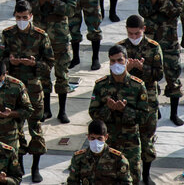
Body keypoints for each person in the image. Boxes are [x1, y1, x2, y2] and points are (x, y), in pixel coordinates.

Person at [0, 1, 54, 183]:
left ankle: (35, 166)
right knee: (16, 128)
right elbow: (1, 62)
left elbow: (49, 65)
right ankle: (19, 163)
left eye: (24, 17)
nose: (21, 20)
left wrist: (34, 64)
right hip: (13, 88)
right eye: (18, 17)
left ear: (31, 16)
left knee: (35, 127)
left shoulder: (40, 36)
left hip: (33, 88)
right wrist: (9, 62)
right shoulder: (8, 34)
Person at [24, 0, 78, 125]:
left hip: (60, 36)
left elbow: (71, 10)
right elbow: (26, 10)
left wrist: (54, 1)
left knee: (62, 74)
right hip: (40, 36)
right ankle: (46, 109)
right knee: (43, 73)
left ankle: (62, 111)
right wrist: (39, 1)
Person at [88, 44, 149, 185]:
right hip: (108, 141)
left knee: (132, 178)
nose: (116, 64)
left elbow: (144, 116)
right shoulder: (101, 85)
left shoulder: (137, 86)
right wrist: (108, 109)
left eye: (120, 60)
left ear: (127, 61)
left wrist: (124, 110)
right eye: (113, 61)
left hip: (130, 143)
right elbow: (93, 113)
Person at [137, 0, 184, 126]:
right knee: (150, 76)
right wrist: (154, 0)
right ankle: (154, 110)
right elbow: (143, 11)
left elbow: (176, 11)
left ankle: (174, 113)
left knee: (173, 76)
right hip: (150, 41)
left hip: (169, 41)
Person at [120, 13, 166, 180]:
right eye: (130, 34)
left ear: (143, 30)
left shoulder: (153, 47)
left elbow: (158, 74)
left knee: (147, 140)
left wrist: (142, 68)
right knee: (127, 141)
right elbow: (115, 73)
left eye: (137, 33)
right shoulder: (121, 48)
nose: (133, 37)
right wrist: (127, 69)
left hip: (148, 101)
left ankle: (146, 176)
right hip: (127, 100)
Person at [67, 120, 132, 185]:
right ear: (88, 137)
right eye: (92, 138)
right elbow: (72, 181)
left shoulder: (118, 159)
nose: (96, 142)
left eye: (99, 138)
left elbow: (126, 182)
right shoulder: (79, 158)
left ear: (106, 137)